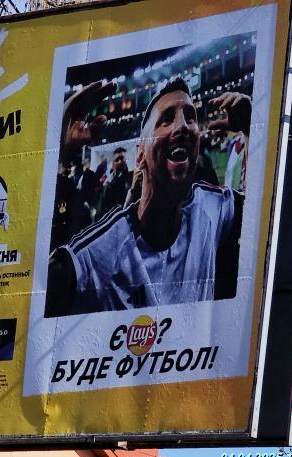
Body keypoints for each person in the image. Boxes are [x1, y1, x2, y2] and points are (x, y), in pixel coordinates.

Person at [45, 77, 248, 316]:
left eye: (190, 117)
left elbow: (267, 216)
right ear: (140, 155)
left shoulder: (213, 207)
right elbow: (27, 300)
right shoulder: (96, 255)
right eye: (166, 119)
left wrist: (252, 129)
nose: (183, 126)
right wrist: (54, 150)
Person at [98, 146, 132, 218]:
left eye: (122, 159)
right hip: (110, 214)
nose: (120, 161)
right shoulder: (108, 177)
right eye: (117, 159)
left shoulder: (129, 176)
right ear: (113, 162)